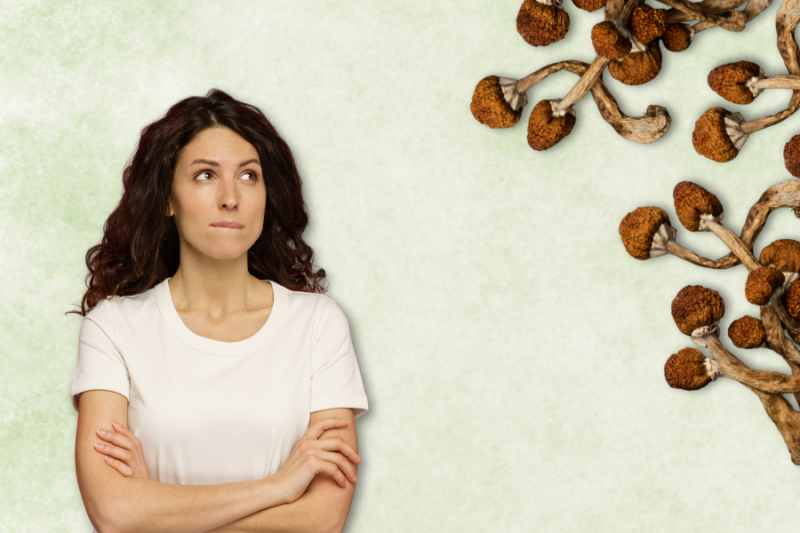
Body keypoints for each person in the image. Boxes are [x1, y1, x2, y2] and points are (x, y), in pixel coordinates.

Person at [67, 89, 369, 533]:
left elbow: (321, 520)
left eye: (249, 176)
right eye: (206, 175)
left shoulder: (319, 324)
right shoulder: (113, 328)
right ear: (167, 199)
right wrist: (280, 486)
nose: (231, 198)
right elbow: (114, 512)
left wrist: (158, 512)